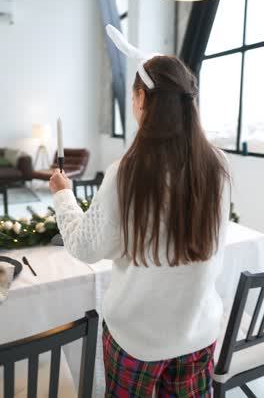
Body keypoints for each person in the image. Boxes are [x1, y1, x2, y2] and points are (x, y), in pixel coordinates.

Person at [50, 53, 230, 397]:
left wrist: (63, 196)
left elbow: (87, 247)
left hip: (137, 338)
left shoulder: (128, 172)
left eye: (133, 96)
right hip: (197, 334)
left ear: (142, 98)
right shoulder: (216, 166)